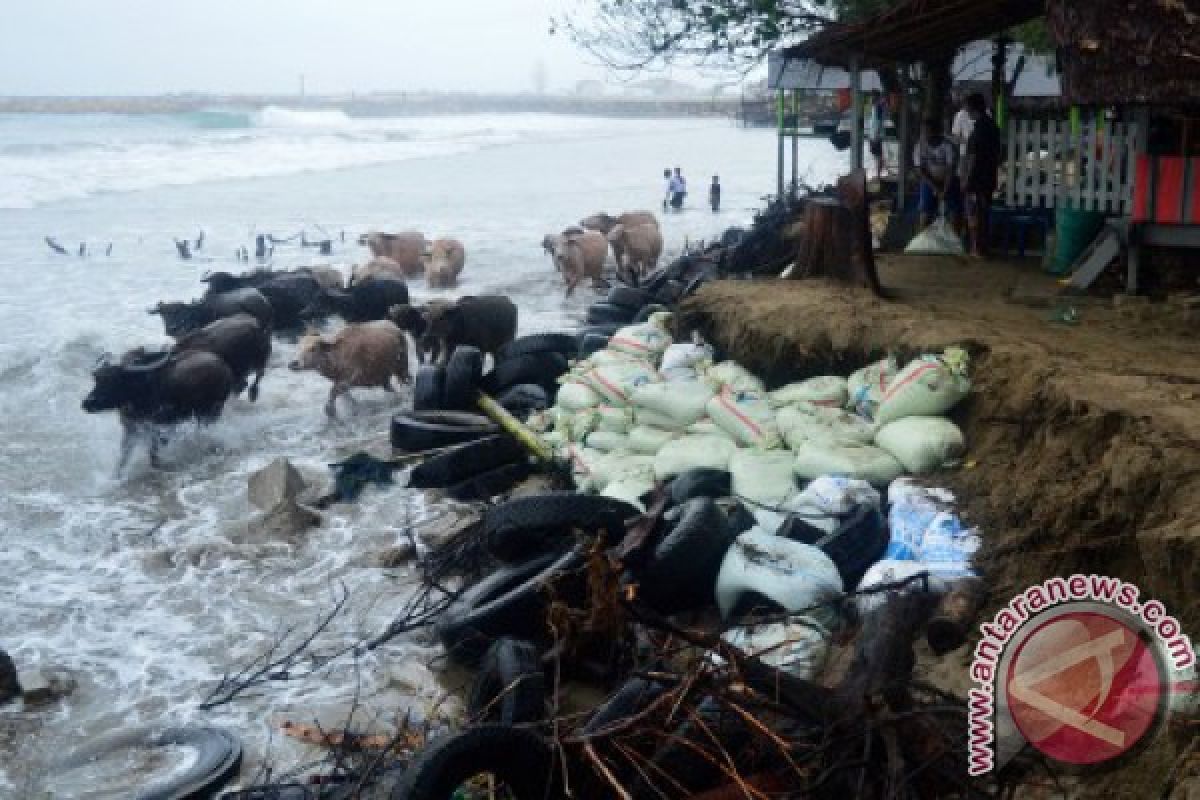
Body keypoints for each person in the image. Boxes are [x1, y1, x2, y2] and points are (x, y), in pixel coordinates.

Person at [963, 93, 1002, 258]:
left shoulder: (979, 129)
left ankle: (976, 248)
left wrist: (966, 179)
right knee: (984, 213)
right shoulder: (993, 127)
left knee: (975, 213)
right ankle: (982, 247)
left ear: (972, 108)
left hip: (977, 178)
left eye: (966, 107)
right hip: (989, 175)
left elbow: (973, 157)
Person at [914, 118, 960, 230]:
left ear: (936, 132)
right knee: (924, 213)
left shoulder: (948, 146)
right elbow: (920, 170)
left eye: (928, 132)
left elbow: (951, 169)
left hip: (949, 181)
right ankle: (923, 240)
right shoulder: (919, 146)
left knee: (955, 213)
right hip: (929, 182)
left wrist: (944, 190)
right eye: (923, 132)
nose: (925, 135)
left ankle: (955, 240)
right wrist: (935, 188)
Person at [867, 90, 887, 180]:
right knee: (876, 154)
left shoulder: (878, 107)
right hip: (874, 134)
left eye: (872, 97)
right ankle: (878, 174)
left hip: (875, 135)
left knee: (878, 155)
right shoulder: (876, 107)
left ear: (875, 97)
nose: (870, 99)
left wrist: (875, 136)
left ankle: (878, 175)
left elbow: (878, 123)